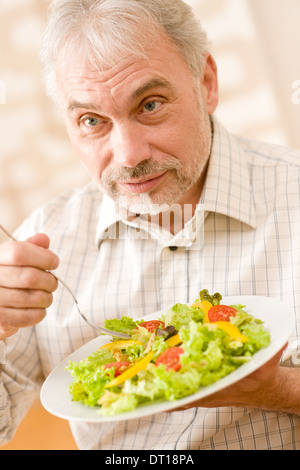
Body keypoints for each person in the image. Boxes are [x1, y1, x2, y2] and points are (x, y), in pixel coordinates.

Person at [0, 0, 300, 450]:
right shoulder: (44, 240)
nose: (128, 155)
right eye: (91, 121)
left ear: (206, 83)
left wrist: (278, 390)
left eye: (150, 104)